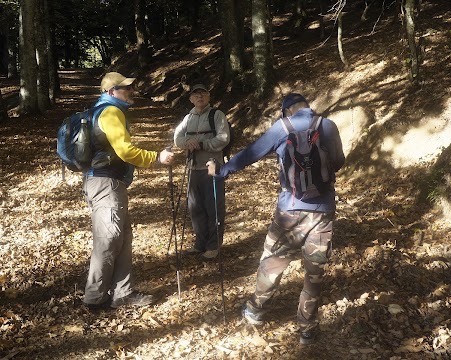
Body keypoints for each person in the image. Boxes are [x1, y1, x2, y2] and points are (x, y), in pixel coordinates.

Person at [207, 93, 345, 344]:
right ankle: (307, 328)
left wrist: (222, 171)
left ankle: (256, 311)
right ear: (306, 107)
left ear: (286, 112)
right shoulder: (328, 125)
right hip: (323, 210)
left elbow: (250, 154)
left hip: (289, 212)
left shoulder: (281, 128)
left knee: (272, 261)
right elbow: (338, 162)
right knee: (314, 273)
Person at [82, 72, 174, 310]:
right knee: (109, 239)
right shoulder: (110, 112)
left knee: (121, 238)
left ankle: (123, 293)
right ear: (112, 92)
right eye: (126, 88)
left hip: (107, 183)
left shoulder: (102, 110)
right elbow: (124, 150)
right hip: (106, 184)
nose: (132, 91)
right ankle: (95, 298)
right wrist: (156, 157)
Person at [173, 84, 230, 259]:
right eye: (196, 94)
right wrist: (187, 142)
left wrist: (203, 144)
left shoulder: (217, 115)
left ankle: (213, 246)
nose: (199, 97)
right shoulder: (188, 117)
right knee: (195, 207)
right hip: (193, 167)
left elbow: (224, 138)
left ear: (209, 97)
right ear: (190, 98)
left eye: (203, 93)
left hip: (212, 167)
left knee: (213, 207)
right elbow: (177, 138)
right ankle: (200, 243)